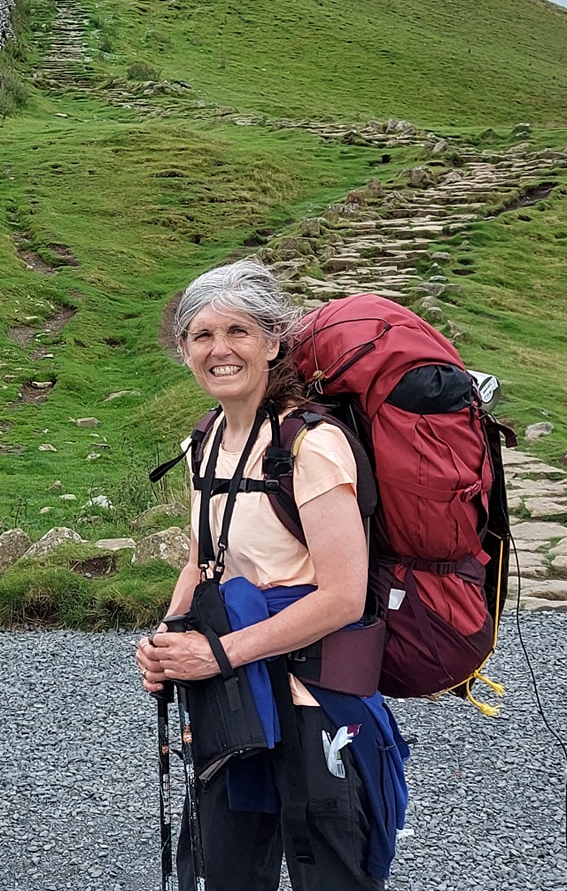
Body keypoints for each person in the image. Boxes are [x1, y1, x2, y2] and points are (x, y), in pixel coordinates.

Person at [135, 260, 406, 891]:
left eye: (238, 332)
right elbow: (206, 559)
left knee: (333, 878)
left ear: (273, 342)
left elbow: (341, 595)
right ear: (182, 349)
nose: (219, 350)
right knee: (222, 875)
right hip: (235, 704)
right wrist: (169, 637)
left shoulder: (313, 445)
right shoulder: (204, 442)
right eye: (202, 335)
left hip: (316, 699)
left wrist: (217, 656)